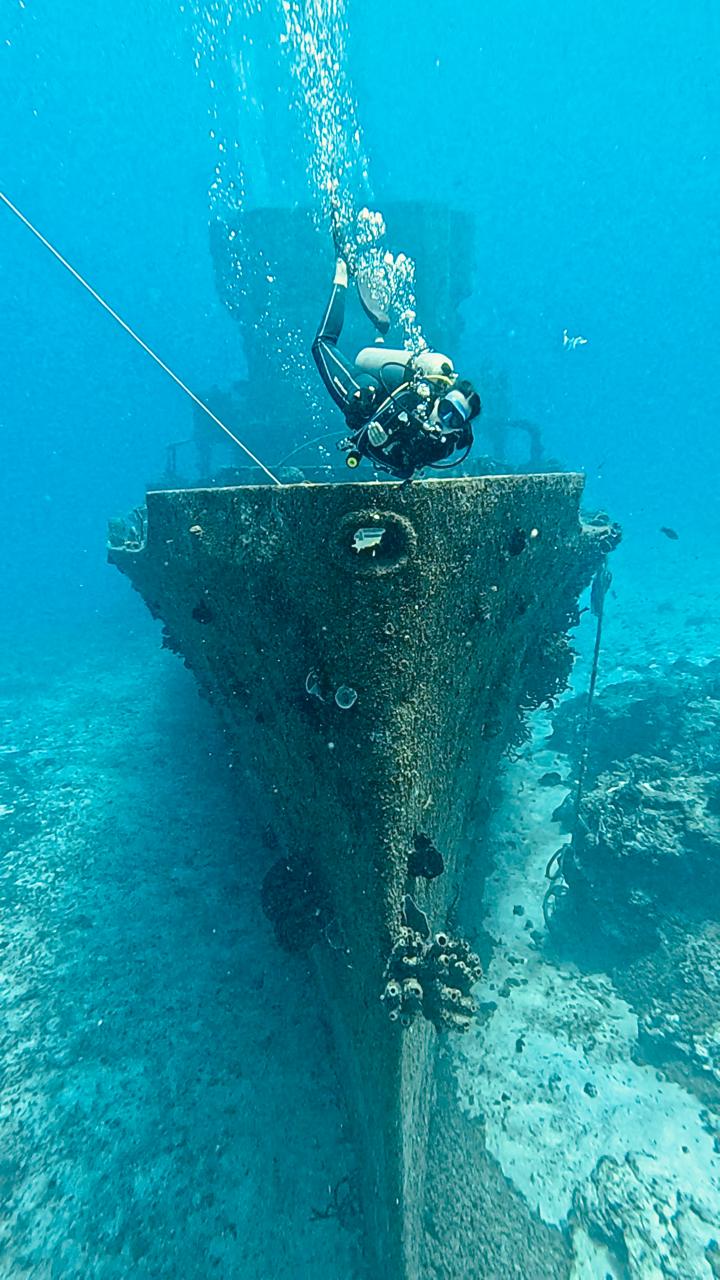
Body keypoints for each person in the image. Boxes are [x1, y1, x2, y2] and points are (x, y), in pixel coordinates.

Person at [312, 258, 481, 480]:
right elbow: (361, 441)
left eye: (454, 419)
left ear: (459, 430)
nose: (443, 419)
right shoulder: (414, 399)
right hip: (369, 400)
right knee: (322, 345)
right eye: (445, 409)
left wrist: (380, 445)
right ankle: (341, 278)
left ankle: (379, 332)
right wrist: (374, 441)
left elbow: (405, 469)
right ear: (439, 400)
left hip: (381, 422)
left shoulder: (445, 447)